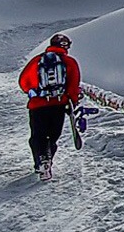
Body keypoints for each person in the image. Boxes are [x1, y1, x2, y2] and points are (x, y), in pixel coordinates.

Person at [17, 33, 81, 180]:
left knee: (37, 135)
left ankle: (40, 161)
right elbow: (73, 85)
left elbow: (24, 81)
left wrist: (33, 92)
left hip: (37, 105)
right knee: (52, 136)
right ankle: (48, 160)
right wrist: (72, 101)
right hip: (58, 104)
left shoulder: (36, 61)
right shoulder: (69, 62)